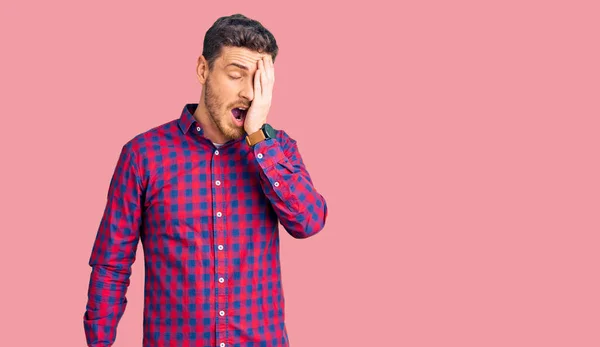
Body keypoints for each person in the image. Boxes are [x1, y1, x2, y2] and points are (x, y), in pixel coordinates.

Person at [83, 13, 328, 347]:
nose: (247, 93)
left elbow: (309, 222)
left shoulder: (278, 150)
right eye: (236, 75)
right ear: (203, 69)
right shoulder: (143, 155)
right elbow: (111, 266)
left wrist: (258, 137)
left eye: (258, 81)